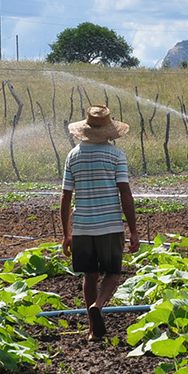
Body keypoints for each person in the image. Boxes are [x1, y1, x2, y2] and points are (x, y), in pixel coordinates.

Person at [60, 105, 140, 340]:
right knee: (113, 273)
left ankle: (93, 330)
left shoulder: (73, 156)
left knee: (90, 275)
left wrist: (66, 234)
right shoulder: (116, 155)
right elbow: (125, 193)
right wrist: (133, 230)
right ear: (109, 130)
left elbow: (66, 197)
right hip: (111, 226)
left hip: (83, 227)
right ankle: (99, 304)